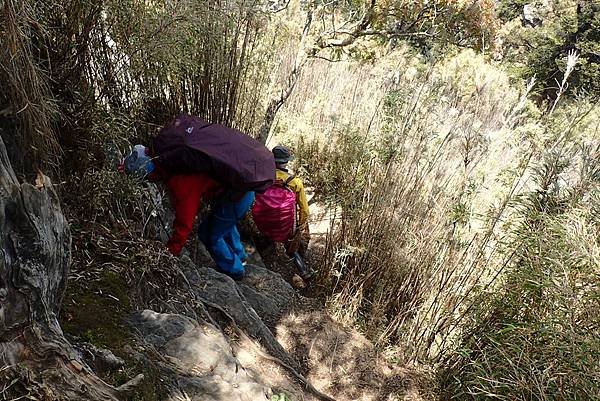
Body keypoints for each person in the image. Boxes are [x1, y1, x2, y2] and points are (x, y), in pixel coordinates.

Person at [123, 145, 252, 280]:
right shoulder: (168, 155)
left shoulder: (181, 182)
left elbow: (184, 223)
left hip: (238, 195)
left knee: (210, 235)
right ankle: (241, 257)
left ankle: (236, 271)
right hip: (241, 186)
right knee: (222, 224)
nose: (151, 180)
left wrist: (170, 252)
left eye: (148, 177)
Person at [271, 145, 314, 279]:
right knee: (292, 246)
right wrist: (300, 226)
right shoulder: (295, 182)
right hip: (286, 222)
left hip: (266, 217)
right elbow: (304, 210)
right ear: (286, 161)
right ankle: (304, 271)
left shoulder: (265, 175)